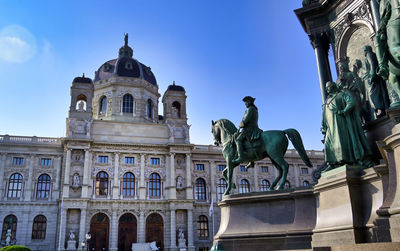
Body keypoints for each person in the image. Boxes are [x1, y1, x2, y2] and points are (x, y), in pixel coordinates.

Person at [321, 81, 374, 171]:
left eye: (328, 87)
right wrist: (323, 126)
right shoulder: (327, 101)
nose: (327, 89)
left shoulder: (341, 94)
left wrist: (344, 111)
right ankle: (331, 163)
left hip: (341, 125)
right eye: (326, 87)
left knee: (341, 141)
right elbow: (325, 115)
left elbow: (351, 102)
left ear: (333, 86)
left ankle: (345, 160)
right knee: (327, 144)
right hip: (330, 128)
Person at [233, 96, 262, 165]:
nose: (245, 104)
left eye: (246, 102)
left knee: (238, 140)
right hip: (252, 128)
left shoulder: (250, 109)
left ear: (250, 102)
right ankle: (251, 160)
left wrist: (241, 124)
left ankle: (240, 157)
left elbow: (246, 120)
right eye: (245, 103)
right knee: (247, 143)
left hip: (249, 129)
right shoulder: (254, 109)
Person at [363, 45, 390, 118]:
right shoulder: (371, 55)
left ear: (367, 50)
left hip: (373, 79)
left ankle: (381, 110)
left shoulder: (370, 55)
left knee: (374, 95)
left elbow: (373, 65)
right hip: (373, 78)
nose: (364, 52)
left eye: (364, 50)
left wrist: (372, 76)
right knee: (376, 95)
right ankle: (381, 110)